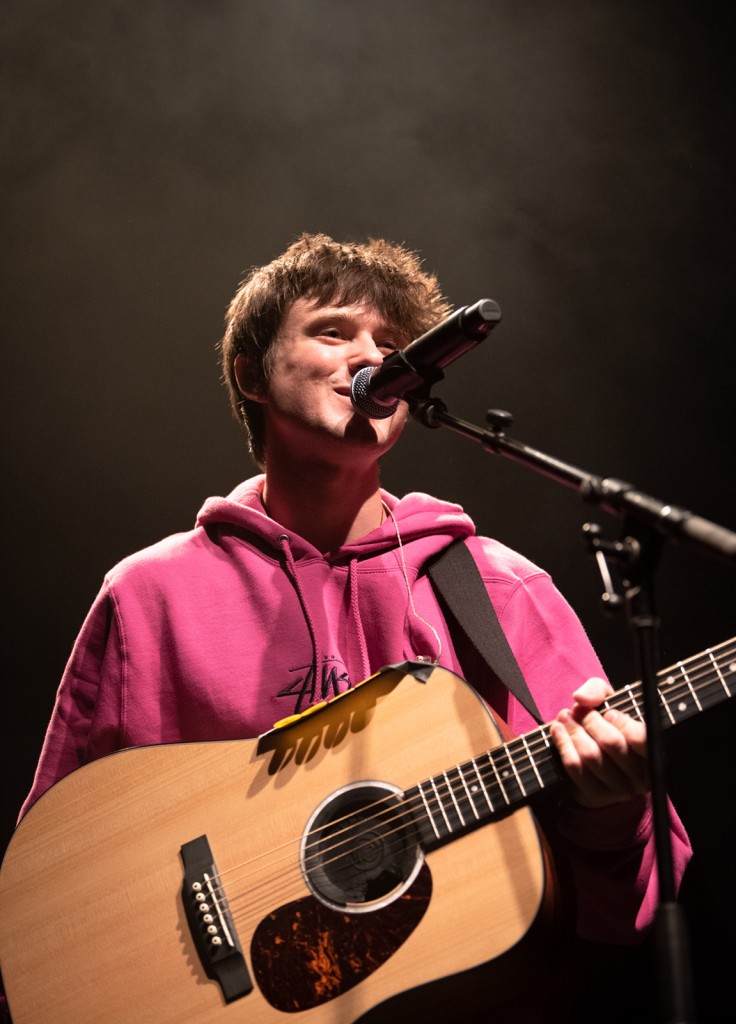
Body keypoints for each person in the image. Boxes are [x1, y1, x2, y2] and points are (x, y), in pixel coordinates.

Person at [10, 233, 691, 1021]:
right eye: (333, 331)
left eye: (393, 346)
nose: (369, 357)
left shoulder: (497, 589)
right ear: (250, 373)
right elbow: (50, 878)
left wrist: (611, 807)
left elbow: (626, 912)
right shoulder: (150, 595)